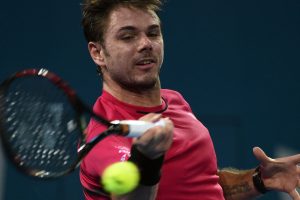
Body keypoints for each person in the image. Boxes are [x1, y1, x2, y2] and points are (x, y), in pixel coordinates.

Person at [79, 0, 300, 199]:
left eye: (153, 33)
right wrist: (147, 157)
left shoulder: (174, 100)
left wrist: (259, 181)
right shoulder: (104, 137)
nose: (146, 44)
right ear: (97, 53)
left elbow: (201, 185)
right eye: (128, 36)